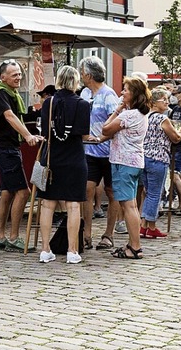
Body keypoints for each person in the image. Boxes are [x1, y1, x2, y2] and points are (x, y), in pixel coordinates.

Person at [0, 59, 44, 253]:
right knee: (23, 192)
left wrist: (30, 132)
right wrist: (28, 135)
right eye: (14, 74)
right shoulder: (2, 92)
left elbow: (18, 118)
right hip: (6, 149)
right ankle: (13, 237)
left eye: (19, 74)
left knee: (6, 192)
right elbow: (10, 116)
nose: (18, 77)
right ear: (2, 77)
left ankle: (0, 236)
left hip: (5, 147)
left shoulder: (9, 92)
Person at [37, 65, 90, 264]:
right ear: (75, 81)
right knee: (73, 204)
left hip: (51, 158)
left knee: (47, 204)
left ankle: (45, 249)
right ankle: (72, 250)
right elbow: (84, 134)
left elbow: (45, 133)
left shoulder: (48, 103)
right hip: (74, 158)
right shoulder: (82, 104)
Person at [102, 76, 150, 260]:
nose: (122, 93)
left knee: (128, 206)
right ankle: (132, 243)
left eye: (126, 90)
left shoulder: (128, 115)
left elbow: (106, 130)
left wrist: (116, 111)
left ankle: (135, 246)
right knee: (132, 205)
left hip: (124, 162)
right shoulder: (141, 114)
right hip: (134, 161)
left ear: (134, 94)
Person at [78, 56, 119, 251]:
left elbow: (116, 121)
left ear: (88, 75)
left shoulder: (109, 95)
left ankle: (108, 234)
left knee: (112, 193)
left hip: (110, 152)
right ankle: (86, 233)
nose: (80, 76)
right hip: (89, 151)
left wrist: (102, 136)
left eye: (82, 72)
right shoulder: (85, 93)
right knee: (87, 190)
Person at [140, 88, 181, 239]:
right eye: (163, 99)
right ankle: (151, 225)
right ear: (154, 102)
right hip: (158, 158)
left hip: (144, 157)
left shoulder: (145, 116)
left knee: (148, 192)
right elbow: (175, 138)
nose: (167, 102)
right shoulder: (162, 119)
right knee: (155, 193)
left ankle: (144, 225)